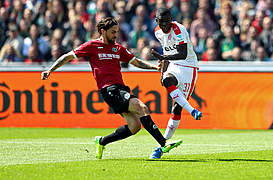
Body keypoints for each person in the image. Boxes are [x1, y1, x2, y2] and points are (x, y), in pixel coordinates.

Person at [41, 17, 182, 160]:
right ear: (103, 31)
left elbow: (136, 62)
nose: (116, 35)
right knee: (142, 108)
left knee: (135, 126)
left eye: (117, 32)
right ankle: (163, 144)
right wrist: (50, 70)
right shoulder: (92, 46)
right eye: (113, 32)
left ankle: (102, 141)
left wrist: (153, 68)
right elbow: (68, 56)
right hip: (109, 89)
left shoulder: (118, 48)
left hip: (121, 89)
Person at [151, 7, 202, 145]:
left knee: (177, 108)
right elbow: (167, 51)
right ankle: (192, 110)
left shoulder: (179, 30)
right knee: (166, 81)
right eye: (161, 22)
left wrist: (162, 56)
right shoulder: (157, 32)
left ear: (171, 20)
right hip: (173, 64)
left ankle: (162, 144)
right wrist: (163, 70)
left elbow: (183, 53)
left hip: (188, 66)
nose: (164, 25)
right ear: (156, 21)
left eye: (167, 21)